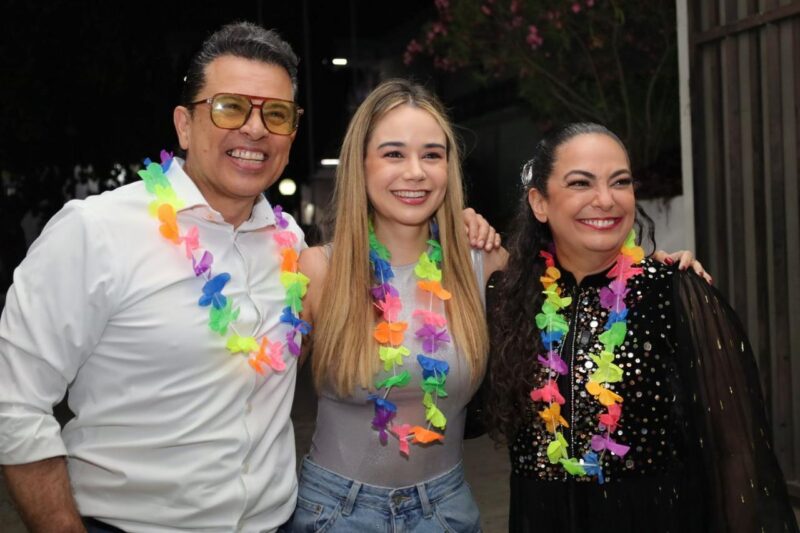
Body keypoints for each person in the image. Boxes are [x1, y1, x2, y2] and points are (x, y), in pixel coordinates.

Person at [0, 24, 497, 533]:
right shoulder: (96, 230)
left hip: (276, 522)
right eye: (229, 107)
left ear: (291, 133)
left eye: (275, 114)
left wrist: (452, 223)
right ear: (184, 124)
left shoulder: (292, 252)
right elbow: (13, 404)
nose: (255, 130)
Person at [484, 122, 798, 532]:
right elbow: (468, 413)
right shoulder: (510, 298)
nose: (606, 200)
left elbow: (736, 453)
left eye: (621, 182)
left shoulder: (675, 291)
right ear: (540, 202)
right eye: (581, 183)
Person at [280, 79, 507, 532]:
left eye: (431, 154)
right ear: (360, 165)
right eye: (393, 153)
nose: (416, 172)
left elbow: (577, 290)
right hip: (334, 513)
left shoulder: (483, 263)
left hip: (447, 511)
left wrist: (654, 269)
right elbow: (252, 391)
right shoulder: (318, 270)